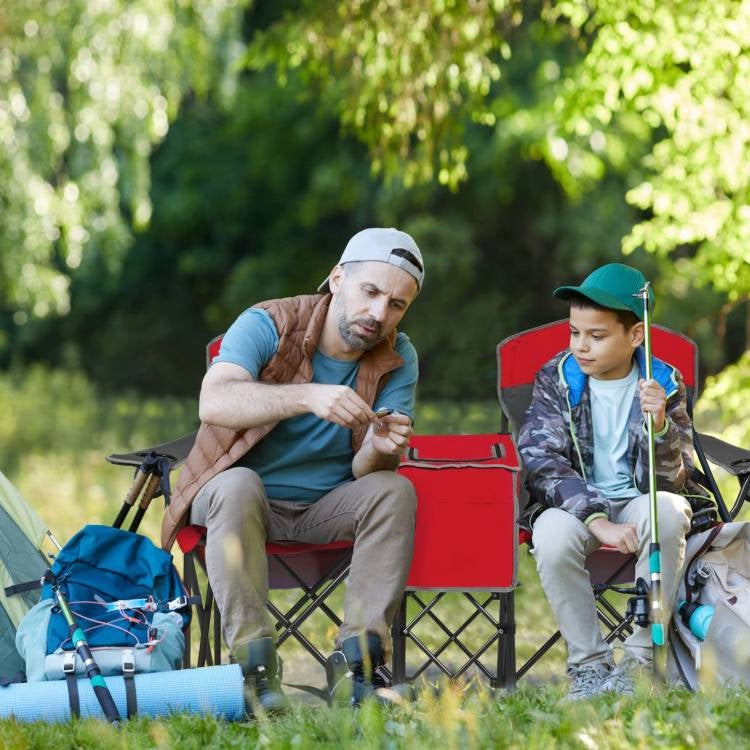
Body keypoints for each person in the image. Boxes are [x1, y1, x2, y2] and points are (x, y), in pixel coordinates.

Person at [161, 228, 424, 712]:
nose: (379, 314)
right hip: (237, 503)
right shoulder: (269, 322)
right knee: (239, 483)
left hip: (325, 507)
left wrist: (381, 448)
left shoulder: (397, 355)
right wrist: (307, 397)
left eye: (397, 304)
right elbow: (213, 400)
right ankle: (254, 671)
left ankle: (359, 673)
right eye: (370, 292)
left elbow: (369, 469)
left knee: (394, 490)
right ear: (337, 278)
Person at [518, 262, 714, 701]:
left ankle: (641, 663)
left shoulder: (663, 382)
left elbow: (671, 481)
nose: (582, 346)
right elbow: (541, 460)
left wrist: (660, 426)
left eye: (597, 335)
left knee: (666, 510)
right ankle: (588, 666)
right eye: (575, 333)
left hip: (641, 503)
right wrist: (596, 518)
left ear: (635, 336)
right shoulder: (558, 379)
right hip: (577, 507)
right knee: (548, 533)